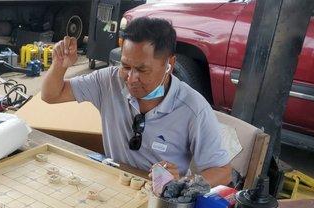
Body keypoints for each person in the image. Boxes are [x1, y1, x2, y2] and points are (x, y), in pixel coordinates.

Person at [42, 17, 232, 186]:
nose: (131, 78)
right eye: (125, 66)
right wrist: (60, 66)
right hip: (115, 184)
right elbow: (51, 95)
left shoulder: (193, 109)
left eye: (142, 70)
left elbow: (222, 172)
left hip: (159, 199)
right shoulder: (108, 81)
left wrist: (182, 183)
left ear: (169, 64)